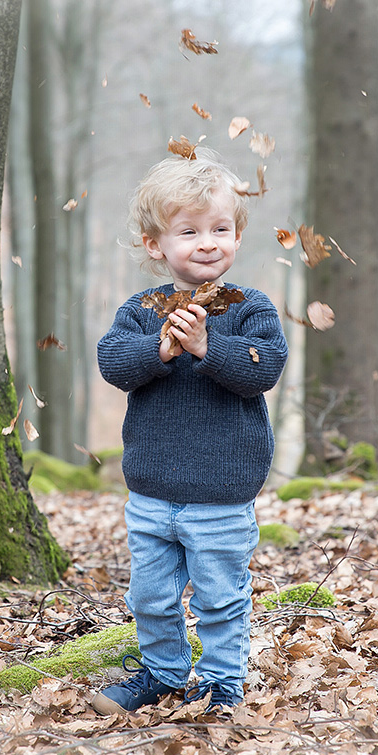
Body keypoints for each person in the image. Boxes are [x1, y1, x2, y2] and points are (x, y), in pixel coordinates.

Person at [93, 149, 288, 716]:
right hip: (151, 492)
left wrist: (207, 346)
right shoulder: (142, 309)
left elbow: (263, 369)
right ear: (157, 245)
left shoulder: (250, 309)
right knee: (151, 597)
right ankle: (162, 672)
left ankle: (223, 683)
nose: (208, 242)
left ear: (237, 235)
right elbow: (113, 362)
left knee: (221, 598)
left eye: (220, 229)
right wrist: (159, 348)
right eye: (190, 231)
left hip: (223, 496)